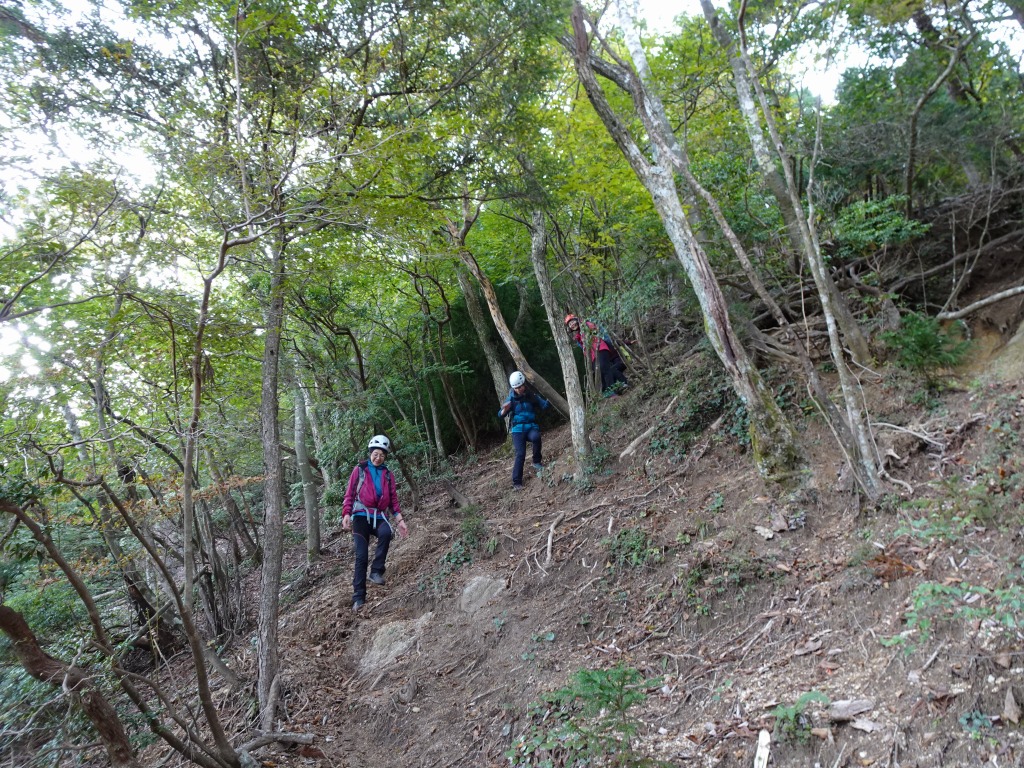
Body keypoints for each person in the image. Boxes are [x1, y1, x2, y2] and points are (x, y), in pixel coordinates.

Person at [342, 434, 408, 611]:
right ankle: (358, 598)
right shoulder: (360, 469)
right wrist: (346, 513)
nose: (378, 458)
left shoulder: (388, 475)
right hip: (360, 515)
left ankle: (376, 571)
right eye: (376, 454)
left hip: (379, 516)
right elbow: (349, 493)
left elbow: (393, 500)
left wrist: (400, 520)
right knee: (361, 556)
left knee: (386, 533)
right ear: (370, 453)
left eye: (382, 455)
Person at [498, 371, 549, 491]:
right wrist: (504, 410)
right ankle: (517, 482)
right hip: (517, 430)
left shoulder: (531, 396)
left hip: (530, 427)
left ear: (524, 384)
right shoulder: (511, 398)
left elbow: (544, 405)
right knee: (520, 454)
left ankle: (536, 462)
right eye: (516, 388)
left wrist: (550, 399)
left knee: (536, 437)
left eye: (520, 387)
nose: (518, 389)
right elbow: (500, 414)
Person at [564, 314, 628, 396]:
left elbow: (597, 330)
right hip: (592, 356)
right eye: (570, 324)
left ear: (576, 320)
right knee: (600, 372)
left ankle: (617, 386)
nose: (572, 325)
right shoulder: (578, 336)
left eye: (572, 322)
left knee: (604, 368)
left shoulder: (586, 324)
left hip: (600, 348)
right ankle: (614, 388)